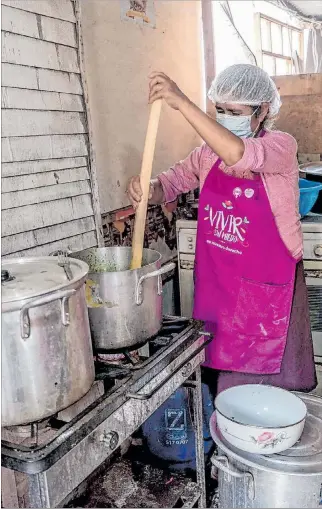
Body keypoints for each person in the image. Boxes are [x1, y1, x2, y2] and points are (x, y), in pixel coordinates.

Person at [127, 64, 316, 397]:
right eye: (221, 110)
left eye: (236, 112)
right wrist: (148, 188)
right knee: (224, 381)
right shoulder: (204, 155)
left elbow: (239, 154)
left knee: (268, 386)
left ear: (263, 111)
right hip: (220, 286)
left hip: (268, 289)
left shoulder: (280, 146)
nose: (226, 117)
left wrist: (181, 101)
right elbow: (169, 186)